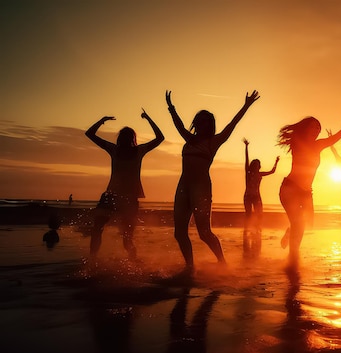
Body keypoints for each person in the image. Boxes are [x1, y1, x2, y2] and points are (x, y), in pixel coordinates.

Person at [167, 89, 259, 273]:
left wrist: (246, 105)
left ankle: (222, 263)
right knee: (179, 232)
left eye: (205, 122)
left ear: (210, 126)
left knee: (204, 233)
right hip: (183, 187)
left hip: (201, 189)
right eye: (199, 121)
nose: (201, 125)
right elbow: (178, 125)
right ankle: (190, 266)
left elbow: (232, 124)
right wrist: (171, 108)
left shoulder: (214, 142)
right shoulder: (189, 139)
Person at [278, 104, 341, 267]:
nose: (316, 130)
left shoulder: (319, 145)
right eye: (313, 127)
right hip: (290, 188)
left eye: (318, 128)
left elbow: (340, 134)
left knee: (307, 222)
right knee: (298, 223)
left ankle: (290, 234)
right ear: (305, 129)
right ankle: (293, 259)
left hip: (306, 192)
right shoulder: (297, 142)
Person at [85, 110, 164, 259]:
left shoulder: (138, 150)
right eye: (123, 136)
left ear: (132, 139)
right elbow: (89, 134)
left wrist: (149, 118)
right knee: (97, 229)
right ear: (120, 138)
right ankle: (92, 260)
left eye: (128, 136)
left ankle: (134, 263)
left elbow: (160, 138)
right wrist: (102, 119)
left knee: (126, 238)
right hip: (112, 195)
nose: (125, 139)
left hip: (129, 199)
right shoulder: (115, 150)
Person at [243, 138, 279, 234]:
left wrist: (276, 162)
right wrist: (246, 147)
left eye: (258, 164)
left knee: (259, 214)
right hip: (248, 196)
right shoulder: (248, 172)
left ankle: (257, 228)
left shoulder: (259, 174)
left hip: (256, 196)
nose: (257, 166)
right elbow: (246, 160)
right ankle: (246, 229)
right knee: (248, 214)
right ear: (253, 165)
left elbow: (272, 171)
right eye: (256, 164)